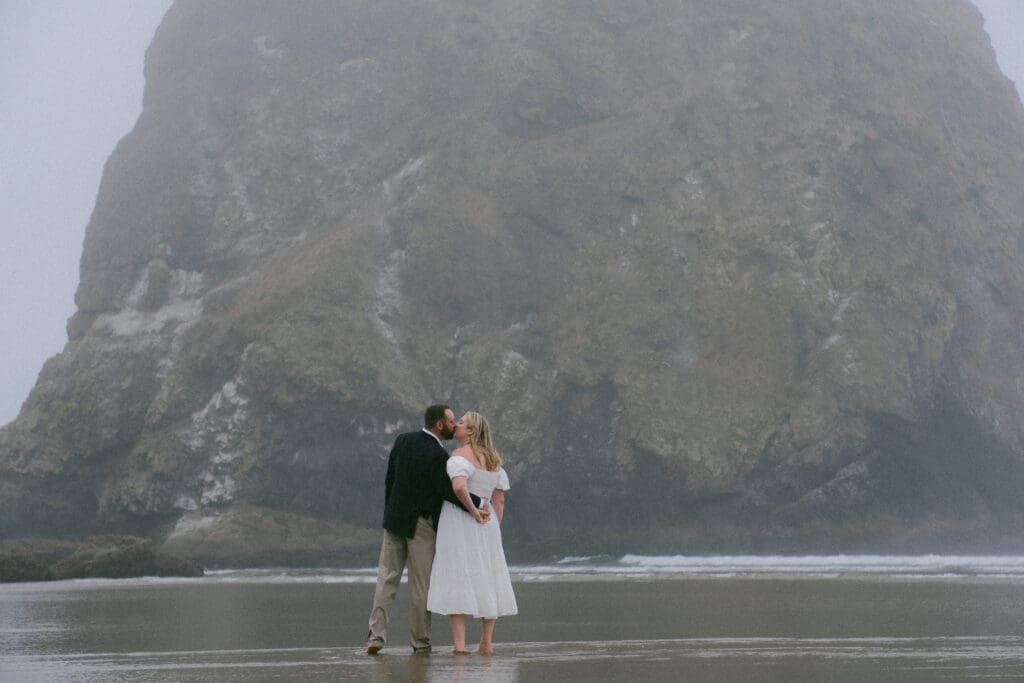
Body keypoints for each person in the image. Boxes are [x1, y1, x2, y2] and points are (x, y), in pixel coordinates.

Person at [366, 404, 489, 655]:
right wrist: (478, 504)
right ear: (440, 425)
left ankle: (375, 637)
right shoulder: (437, 455)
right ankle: (420, 642)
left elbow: (390, 478)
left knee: (386, 580)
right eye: (452, 421)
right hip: (421, 525)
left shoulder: (403, 441)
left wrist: (390, 511)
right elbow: (448, 491)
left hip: (395, 520)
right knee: (420, 586)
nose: (455, 425)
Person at [427, 411, 517, 654]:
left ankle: (459, 644)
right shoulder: (495, 462)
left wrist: (473, 511)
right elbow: (499, 501)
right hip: (488, 528)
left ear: (471, 432)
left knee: (459, 577)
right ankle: (486, 641)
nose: (456, 424)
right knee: (488, 578)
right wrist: (491, 527)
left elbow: (458, 486)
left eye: (462, 422)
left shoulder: (458, 456)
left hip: (460, 522)